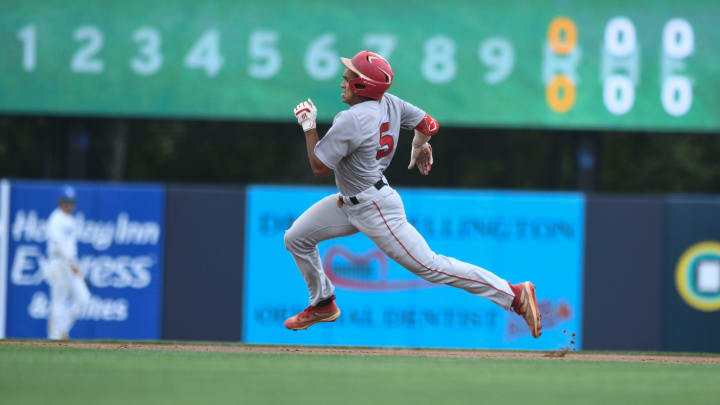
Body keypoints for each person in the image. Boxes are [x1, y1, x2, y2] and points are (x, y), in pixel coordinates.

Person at [286, 50, 542, 338]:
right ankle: (322, 302)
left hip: (374, 207)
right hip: (350, 201)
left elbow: (319, 167)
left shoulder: (351, 119)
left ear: (362, 86)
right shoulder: (390, 103)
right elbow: (429, 124)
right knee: (297, 238)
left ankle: (513, 294)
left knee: (430, 266)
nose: (343, 81)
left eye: (349, 77)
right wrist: (419, 144)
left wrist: (308, 126)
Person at [44, 185, 90, 339]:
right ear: (60, 201)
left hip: (70, 262)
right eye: (66, 201)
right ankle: (54, 337)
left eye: (71, 201)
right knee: (59, 301)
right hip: (58, 262)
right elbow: (58, 243)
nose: (69, 204)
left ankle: (62, 329)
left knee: (84, 298)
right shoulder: (55, 218)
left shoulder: (70, 219)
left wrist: (73, 263)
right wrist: (71, 263)